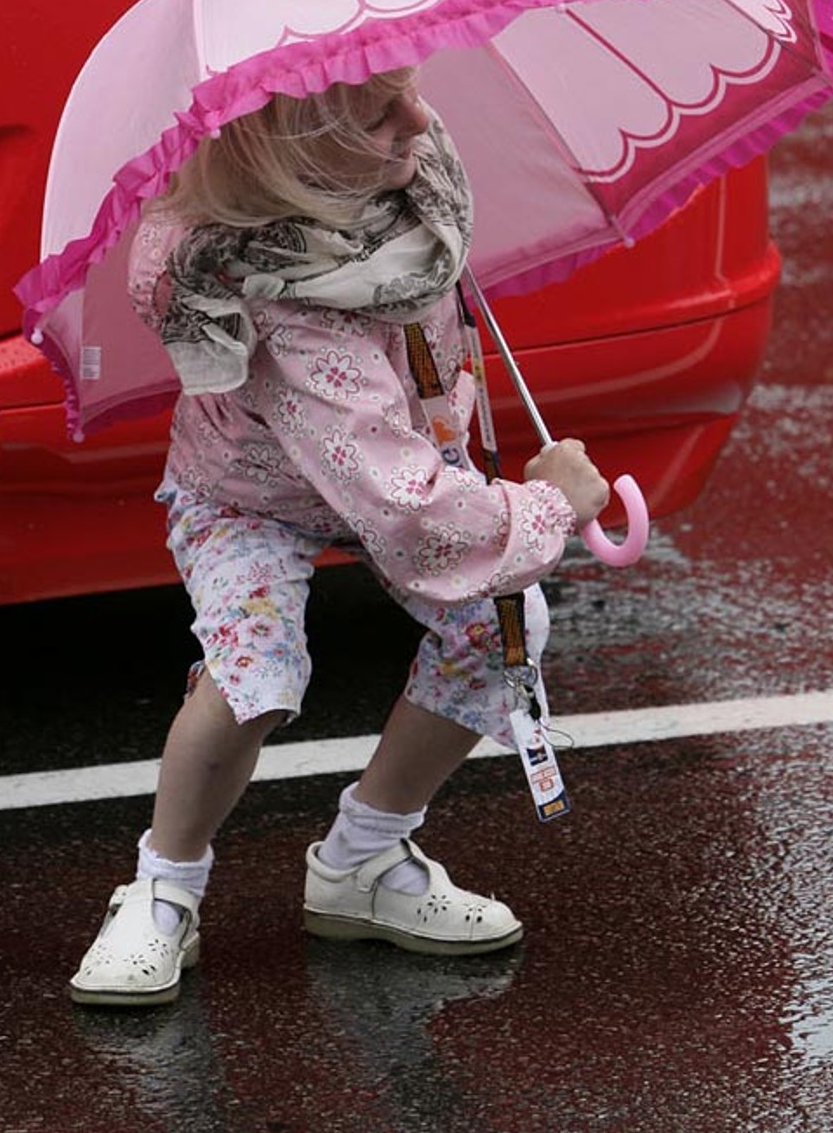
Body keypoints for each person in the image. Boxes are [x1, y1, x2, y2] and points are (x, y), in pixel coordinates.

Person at [68, 66, 611, 1007]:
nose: (421, 115)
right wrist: (551, 508)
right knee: (255, 678)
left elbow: (410, 441)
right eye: (376, 112)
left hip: (401, 459)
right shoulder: (281, 302)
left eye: (408, 87)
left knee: (501, 626)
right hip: (254, 496)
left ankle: (361, 859)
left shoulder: (403, 194)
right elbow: (404, 509)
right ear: (288, 164)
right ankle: (165, 883)